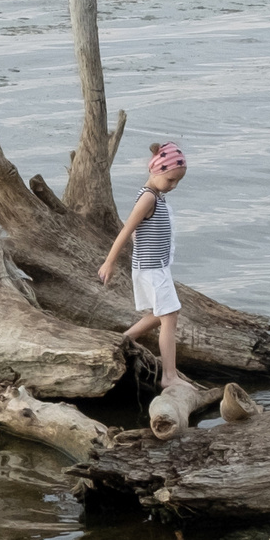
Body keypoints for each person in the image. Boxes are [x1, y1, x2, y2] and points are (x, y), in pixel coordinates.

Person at [97, 142, 190, 395]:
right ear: (156, 171)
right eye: (170, 179)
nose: (173, 186)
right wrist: (110, 261)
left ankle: (124, 339)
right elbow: (127, 229)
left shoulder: (155, 196)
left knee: (162, 314)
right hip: (151, 269)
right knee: (170, 315)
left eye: (177, 182)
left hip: (156, 266)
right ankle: (169, 377)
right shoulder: (148, 197)